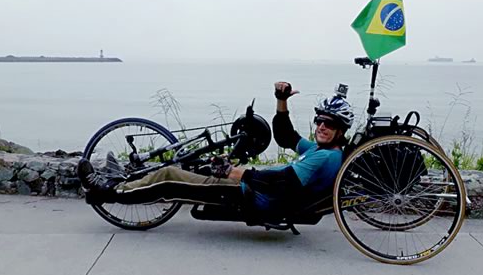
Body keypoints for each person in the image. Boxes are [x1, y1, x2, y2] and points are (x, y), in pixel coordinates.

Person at [77, 81, 354, 221]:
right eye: (319, 120)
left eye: (329, 124)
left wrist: (234, 172)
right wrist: (281, 102)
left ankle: (105, 191)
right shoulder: (326, 150)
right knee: (188, 170)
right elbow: (285, 137)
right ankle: (121, 181)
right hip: (257, 191)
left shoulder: (323, 156)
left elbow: (281, 182)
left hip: (254, 196)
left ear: (340, 130)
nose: (320, 126)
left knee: (170, 177)